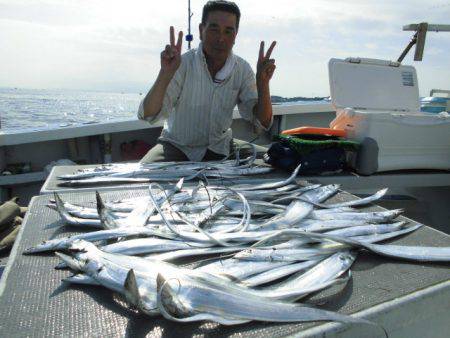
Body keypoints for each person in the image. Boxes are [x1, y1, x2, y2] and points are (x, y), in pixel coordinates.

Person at [138, 0, 276, 163]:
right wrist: (165, 73)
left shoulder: (243, 69)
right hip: (177, 147)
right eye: (214, 29)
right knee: (145, 172)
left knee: (275, 159)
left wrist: (263, 84)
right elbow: (149, 114)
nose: (220, 39)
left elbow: (263, 122)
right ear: (200, 30)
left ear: (235, 35)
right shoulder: (181, 64)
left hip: (221, 146)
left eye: (228, 31)